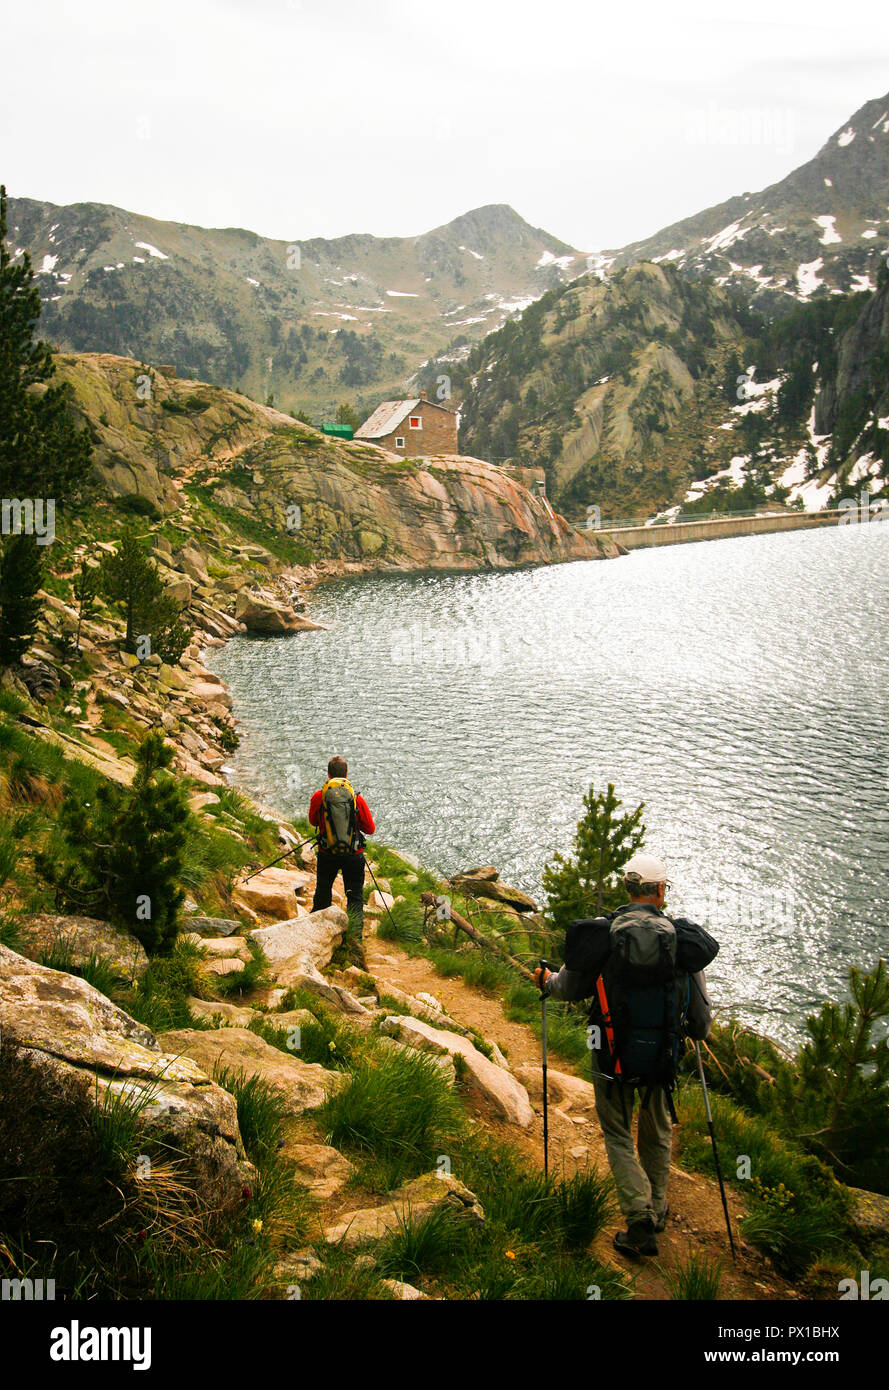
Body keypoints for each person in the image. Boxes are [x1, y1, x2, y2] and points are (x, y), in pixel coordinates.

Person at [534, 852, 714, 1259]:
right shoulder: (683, 945)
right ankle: (659, 1208)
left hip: (608, 1049)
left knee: (617, 1132)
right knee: (657, 1130)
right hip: (662, 1057)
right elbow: (701, 1022)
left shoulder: (603, 935)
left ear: (627, 889)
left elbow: (569, 988)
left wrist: (545, 980)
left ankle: (638, 1220)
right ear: (661, 892)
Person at [308, 756, 375, 936]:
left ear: (328, 774)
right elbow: (370, 828)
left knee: (323, 889)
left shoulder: (319, 796)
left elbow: (312, 820)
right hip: (353, 855)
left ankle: (317, 931)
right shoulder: (355, 798)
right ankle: (355, 938)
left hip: (326, 853)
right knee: (354, 896)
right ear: (346, 774)